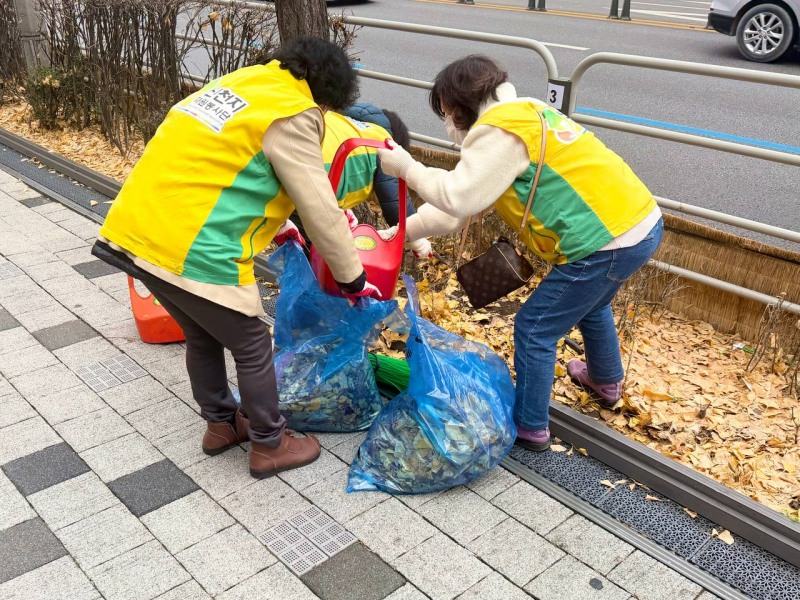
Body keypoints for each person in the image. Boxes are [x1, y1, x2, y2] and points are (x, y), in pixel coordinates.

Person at [92, 37, 382, 479]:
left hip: (137, 230)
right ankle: (270, 443)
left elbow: (226, 167)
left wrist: (274, 219)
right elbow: (320, 208)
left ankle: (222, 425)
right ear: (328, 92)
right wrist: (353, 281)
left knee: (201, 334)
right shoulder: (293, 111)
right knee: (250, 344)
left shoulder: (241, 84)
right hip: (193, 246)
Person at [376, 55, 663, 451]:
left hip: (604, 243)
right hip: (639, 224)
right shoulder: (527, 112)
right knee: (591, 305)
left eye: (446, 113)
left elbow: (458, 195)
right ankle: (606, 382)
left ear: (462, 106)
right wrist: (397, 232)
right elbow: (451, 212)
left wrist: (406, 167)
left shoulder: (500, 133)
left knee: (535, 328)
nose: (447, 124)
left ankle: (530, 428)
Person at [286, 102, 432, 259]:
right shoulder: (385, 146)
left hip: (288, 156)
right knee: (318, 255)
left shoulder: (342, 121)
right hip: (310, 177)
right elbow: (396, 206)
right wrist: (418, 239)